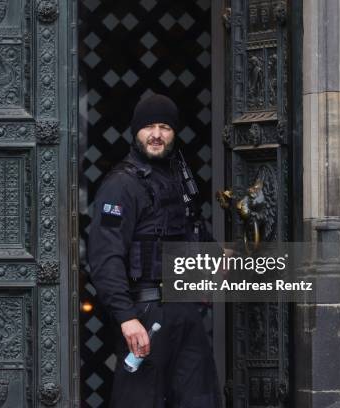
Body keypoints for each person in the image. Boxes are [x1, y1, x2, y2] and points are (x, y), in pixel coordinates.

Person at [88, 94, 221, 408]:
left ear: (174, 133)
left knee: (199, 399)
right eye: (149, 126)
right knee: (140, 400)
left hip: (184, 311)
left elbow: (194, 234)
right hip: (145, 313)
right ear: (136, 132)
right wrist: (126, 318)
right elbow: (105, 258)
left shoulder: (178, 179)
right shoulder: (120, 185)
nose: (157, 134)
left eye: (164, 127)